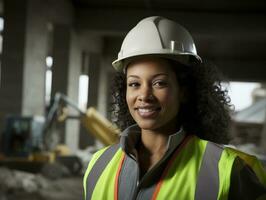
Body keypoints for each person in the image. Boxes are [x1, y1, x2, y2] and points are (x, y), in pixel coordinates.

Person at [83, 16, 266, 200]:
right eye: (134, 84)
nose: (144, 95)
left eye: (159, 83)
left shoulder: (230, 170)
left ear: (184, 91)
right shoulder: (98, 165)